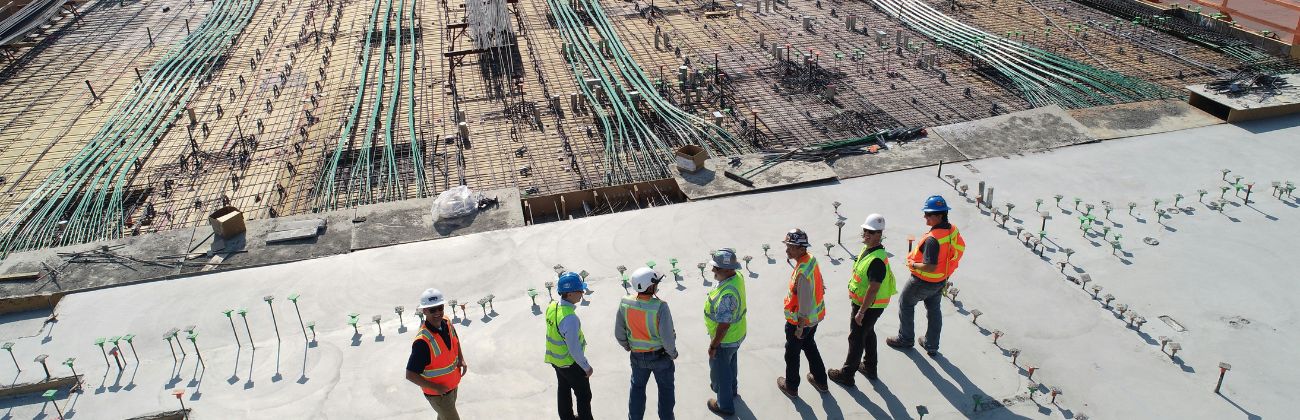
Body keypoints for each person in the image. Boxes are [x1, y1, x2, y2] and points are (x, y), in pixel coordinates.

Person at [887, 195, 966, 356]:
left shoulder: (932, 240)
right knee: (934, 310)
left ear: (939, 216)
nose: (925, 217)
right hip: (941, 279)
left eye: (928, 214)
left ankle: (905, 339)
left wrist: (913, 264)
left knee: (906, 304)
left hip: (922, 281)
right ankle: (931, 344)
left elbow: (930, 266)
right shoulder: (952, 230)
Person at [828, 214, 897, 386]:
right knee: (868, 332)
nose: (866, 234)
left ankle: (847, 375)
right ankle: (869, 367)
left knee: (856, 338)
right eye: (865, 230)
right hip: (867, 304)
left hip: (868, 306)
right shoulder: (869, 250)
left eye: (871, 232)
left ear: (879, 234)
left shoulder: (876, 261)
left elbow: (873, 288)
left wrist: (861, 311)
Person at [615, 267, 678, 420]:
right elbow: (667, 336)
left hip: (637, 356)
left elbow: (619, 332)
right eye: (656, 283)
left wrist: (626, 345)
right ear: (650, 287)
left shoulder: (625, 303)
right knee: (666, 390)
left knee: (637, 389)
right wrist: (672, 353)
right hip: (660, 357)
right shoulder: (660, 306)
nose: (657, 285)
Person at [776, 229, 829, 398]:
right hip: (814, 319)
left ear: (801, 249)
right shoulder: (810, 259)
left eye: (790, 247)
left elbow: (804, 302)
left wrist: (799, 327)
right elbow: (819, 280)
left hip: (800, 323)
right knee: (809, 345)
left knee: (792, 354)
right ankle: (821, 380)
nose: (787, 250)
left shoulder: (803, 272)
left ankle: (791, 386)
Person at [405, 288, 468, 419]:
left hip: (452, 386)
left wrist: (461, 358)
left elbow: (455, 340)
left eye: (440, 307)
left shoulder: (446, 322)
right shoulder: (422, 342)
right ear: (424, 311)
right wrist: (436, 388)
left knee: (443, 417)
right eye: (432, 310)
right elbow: (410, 374)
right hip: (439, 395)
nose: (438, 313)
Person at [704, 248, 747, 416]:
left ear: (729, 270)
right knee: (730, 364)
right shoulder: (737, 277)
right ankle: (732, 390)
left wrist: (713, 346)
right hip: (737, 335)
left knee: (720, 372)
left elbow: (723, 325)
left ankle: (725, 405)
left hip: (725, 339)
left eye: (717, 268)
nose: (713, 270)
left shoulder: (727, 295)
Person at [546, 272, 594, 420]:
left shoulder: (552, 306)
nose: (582, 293)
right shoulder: (570, 318)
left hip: (556, 361)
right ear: (571, 293)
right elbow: (574, 348)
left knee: (564, 390)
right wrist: (586, 367)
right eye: (580, 290)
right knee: (584, 395)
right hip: (570, 363)